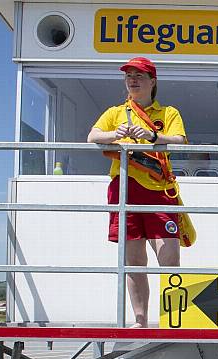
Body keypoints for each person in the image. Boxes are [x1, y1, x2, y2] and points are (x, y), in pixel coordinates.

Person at [88, 57, 191, 328]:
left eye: (140, 75)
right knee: (133, 259)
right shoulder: (115, 112)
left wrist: (152, 136)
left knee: (168, 256)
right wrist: (115, 135)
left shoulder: (168, 112)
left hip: (159, 190)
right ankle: (140, 319)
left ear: (152, 81)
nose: (133, 80)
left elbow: (180, 140)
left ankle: (172, 320)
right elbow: (93, 136)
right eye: (129, 75)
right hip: (124, 189)